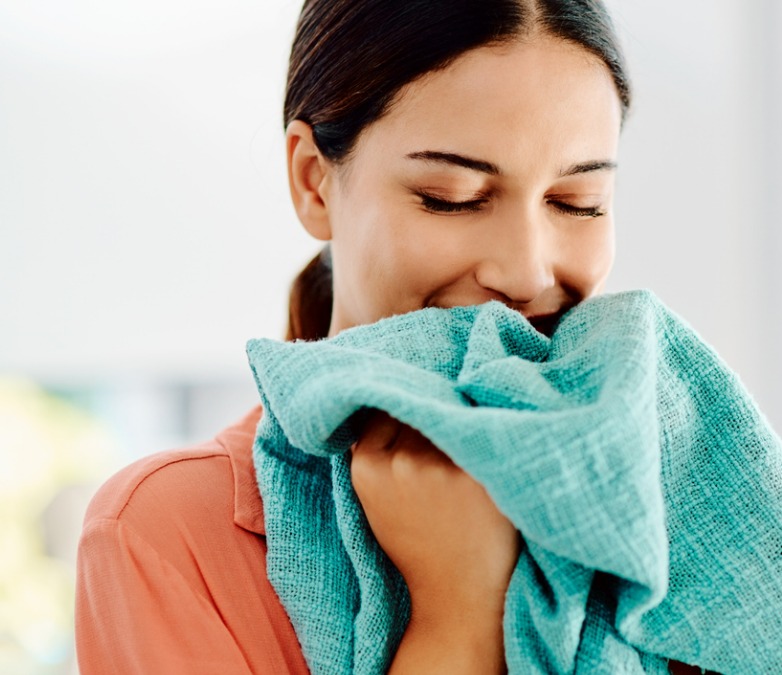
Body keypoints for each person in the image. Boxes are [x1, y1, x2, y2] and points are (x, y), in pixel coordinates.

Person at [75, 0, 708, 672]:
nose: (527, 272)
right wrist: (457, 614)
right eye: (452, 196)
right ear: (313, 181)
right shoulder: (167, 535)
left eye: (575, 203)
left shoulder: (680, 485)